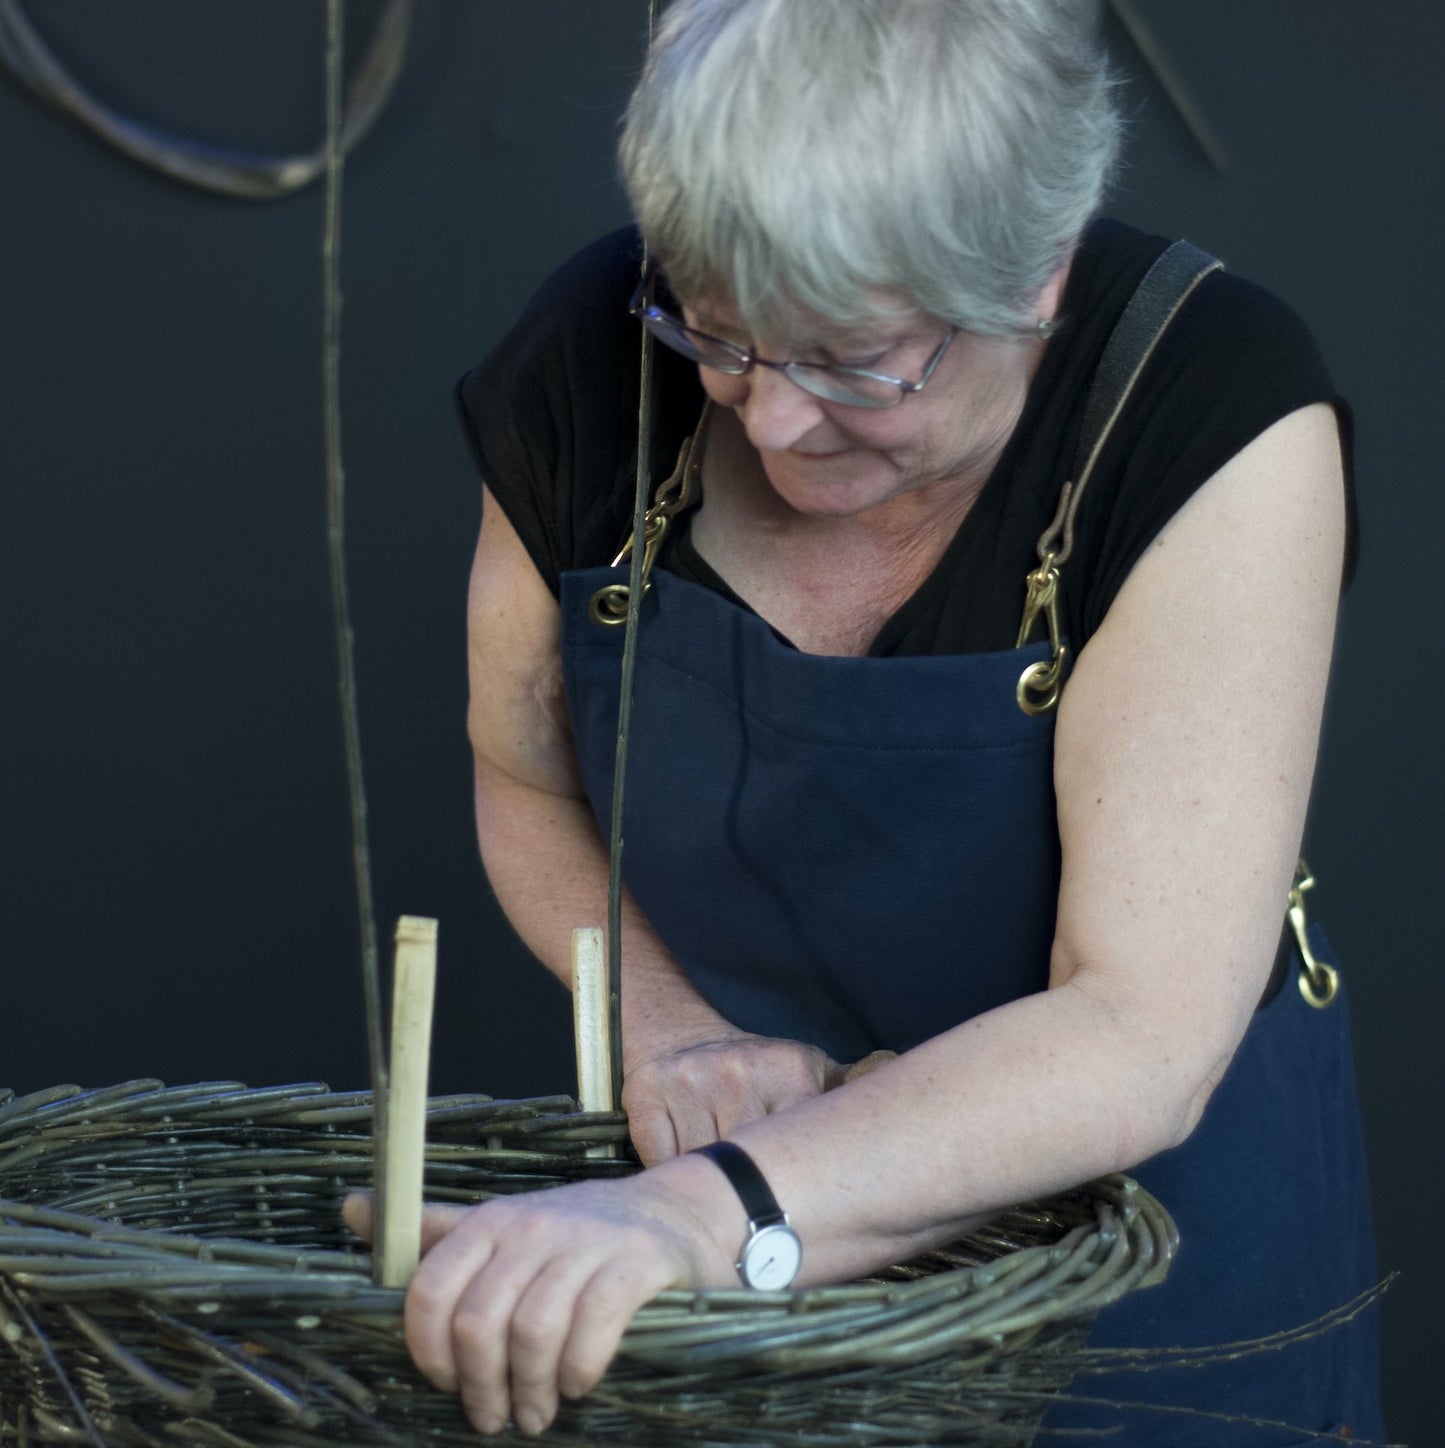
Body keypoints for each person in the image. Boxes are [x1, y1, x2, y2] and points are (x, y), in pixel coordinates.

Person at [347, 0, 1383, 1439]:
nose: (767, 421)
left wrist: (704, 1215)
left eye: (854, 360)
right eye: (714, 334)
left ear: (1036, 278)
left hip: (1147, 1275)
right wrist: (672, 1037)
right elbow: (525, 779)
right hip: (712, 1226)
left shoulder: (1209, 406)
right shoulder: (585, 358)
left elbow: (1138, 1028)